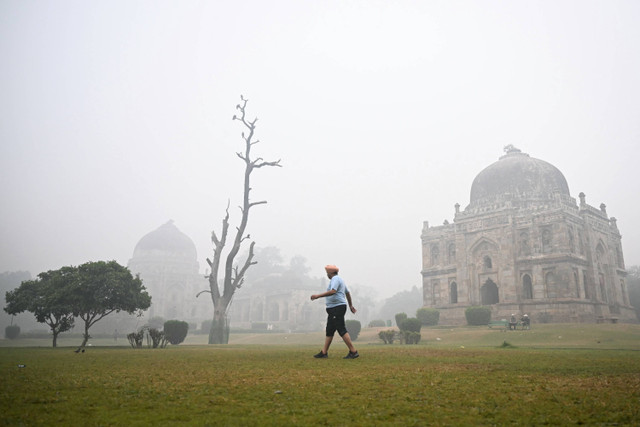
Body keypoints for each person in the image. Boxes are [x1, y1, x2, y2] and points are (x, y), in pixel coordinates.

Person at [310, 265, 359, 359]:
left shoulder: (335, 279)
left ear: (330, 273)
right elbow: (347, 293)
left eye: (327, 273)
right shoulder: (340, 280)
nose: (327, 275)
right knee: (330, 330)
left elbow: (333, 291)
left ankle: (353, 351)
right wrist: (350, 305)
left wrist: (318, 296)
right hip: (334, 308)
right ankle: (324, 352)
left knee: (341, 329)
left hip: (337, 308)